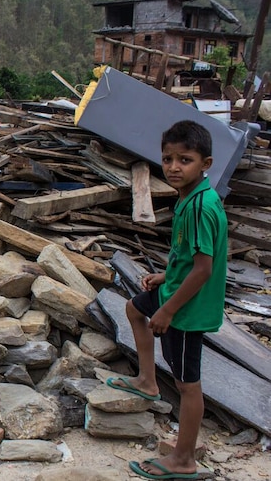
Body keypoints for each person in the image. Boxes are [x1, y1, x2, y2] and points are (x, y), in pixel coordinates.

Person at [106, 120, 228, 480]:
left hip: (188, 308)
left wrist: (167, 309)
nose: (174, 167)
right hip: (176, 287)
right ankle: (147, 380)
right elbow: (191, 256)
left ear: (205, 164)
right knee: (132, 308)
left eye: (185, 160)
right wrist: (165, 275)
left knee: (188, 385)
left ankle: (184, 459)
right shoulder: (192, 198)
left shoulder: (200, 208)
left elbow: (204, 269)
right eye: (168, 159)